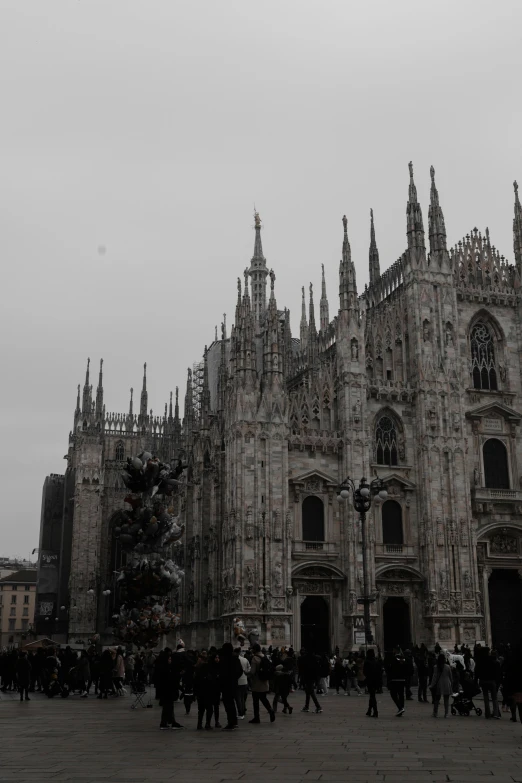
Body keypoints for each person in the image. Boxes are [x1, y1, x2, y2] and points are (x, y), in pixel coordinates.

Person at [155, 650, 184, 730]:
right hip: (166, 691)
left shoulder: (168, 668)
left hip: (168, 691)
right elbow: (170, 680)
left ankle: (171, 721)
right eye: (169, 659)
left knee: (169, 707)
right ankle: (164, 723)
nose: (170, 661)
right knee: (167, 707)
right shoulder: (165, 669)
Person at [249, 643, 276, 724]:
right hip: (264, 681)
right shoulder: (264, 656)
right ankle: (270, 710)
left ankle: (256, 718)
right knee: (264, 698)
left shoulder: (254, 658)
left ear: (254, 650)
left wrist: (246, 672)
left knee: (255, 701)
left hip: (257, 683)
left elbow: (252, 672)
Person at [218, 642, 242, 730]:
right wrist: (235, 678)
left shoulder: (224, 659)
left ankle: (231, 722)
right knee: (232, 703)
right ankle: (234, 721)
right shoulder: (235, 658)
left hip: (226, 684)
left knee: (228, 704)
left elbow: (221, 672)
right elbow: (240, 671)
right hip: (234, 684)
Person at [477, 648, 501, 719]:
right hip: (492, 680)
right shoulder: (492, 660)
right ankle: (496, 714)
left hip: (483, 680)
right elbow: (496, 671)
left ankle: (487, 714)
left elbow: (477, 671)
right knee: (494, 698)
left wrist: (477, 680)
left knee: (486, 697)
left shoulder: (480, 660)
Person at [194, 650, 215, 730]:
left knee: (201, 710)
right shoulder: (209, 672)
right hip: (208, 693)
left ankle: (199, 724)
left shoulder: (198, 672)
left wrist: (195, 693)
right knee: (209, 709)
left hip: (200, 693)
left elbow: (195, 683)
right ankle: (207, 724)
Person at [298, 648, 322, 713]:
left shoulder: (303, 658)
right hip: (313, 677)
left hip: (307, 677)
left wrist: (300, 680)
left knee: (311, 692)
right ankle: (306, 706)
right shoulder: (316, 658)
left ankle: (318, 707)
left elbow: (301, 669)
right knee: (308, 692)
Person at [430, 653, 453, 718]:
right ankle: (446, 714)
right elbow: (450, 677)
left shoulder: (436, 667)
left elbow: (434, 677)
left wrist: (432, 685)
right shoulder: (448, 667)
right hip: (446, 683)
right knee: (446, 700)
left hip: (439, 684)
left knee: (436, 699)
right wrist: (452, 683)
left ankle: (435, 713)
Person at [387, 648, 407, 716]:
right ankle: (401, 709)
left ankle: (400, 707)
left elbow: (389, 669)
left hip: (394, 679)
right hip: (402, 679)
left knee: (393, 694)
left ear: (395, 651)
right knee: (401, 695)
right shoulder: (404, 659)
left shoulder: (393, 659)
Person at [363, 649, 381, 718]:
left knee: (372, 696)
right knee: (372, 695)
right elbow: (379, 672)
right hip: (376, 681)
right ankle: (369, 710)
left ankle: (375, 711)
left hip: (370, 681)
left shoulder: (367, 662)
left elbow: (365, 672)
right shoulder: (376, 661)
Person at [234, 647, 250, 720]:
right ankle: (243, 711)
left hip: (237, 681)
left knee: (238, 699)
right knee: (243, 698)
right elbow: (249, 669)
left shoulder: (235, 660)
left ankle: (240, 713)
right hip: (245, 681)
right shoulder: (245, 659)